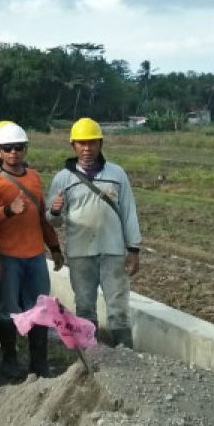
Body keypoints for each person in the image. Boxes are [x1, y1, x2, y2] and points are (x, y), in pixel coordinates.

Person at [47, 117, 142, 349]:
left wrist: (134, 248)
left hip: (113, 250)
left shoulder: (117, 174)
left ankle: (125, 355)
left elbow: (129, 210)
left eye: (92, 143)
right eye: (81, 143)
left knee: (118, 306)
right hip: (80, 253)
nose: (87, 149)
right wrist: (54, 210)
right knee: (85, 306)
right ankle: (90, 358)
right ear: (73, 146)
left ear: (100, 144)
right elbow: (52, 221)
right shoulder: (63, 178)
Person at [0, 122, 64, 379]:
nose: (14, 152)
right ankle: (9, 361)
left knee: (40, 308)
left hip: (35, 255)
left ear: (25, 149)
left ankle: (39, 362)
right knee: (8, 309)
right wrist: (7, 210)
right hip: (7, 256)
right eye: (8, 148)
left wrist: (55, 247)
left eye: (18, 147)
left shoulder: (34, 177)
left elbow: (42, 216)